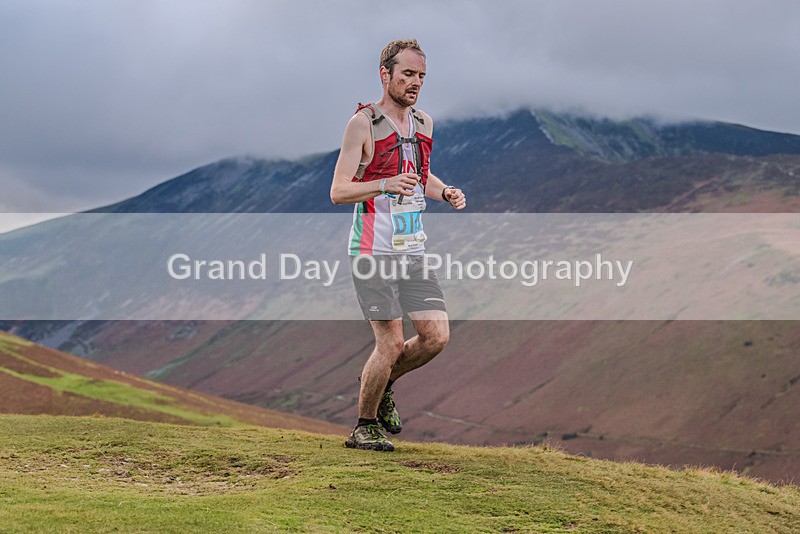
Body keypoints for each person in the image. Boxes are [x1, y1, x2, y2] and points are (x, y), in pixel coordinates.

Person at [330, 38, 466, 451]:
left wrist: (445, 191)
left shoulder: (424, 123)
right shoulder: (363, 124)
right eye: (407, 74)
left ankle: (380, 379)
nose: (416, 82)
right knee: (388, 343)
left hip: (412, 251)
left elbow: (420, 175)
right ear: (384, 74)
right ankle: (363, 427)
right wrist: (384, 184)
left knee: (436, 336)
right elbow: (338, 190)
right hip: (372, 252)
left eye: (421, 76)